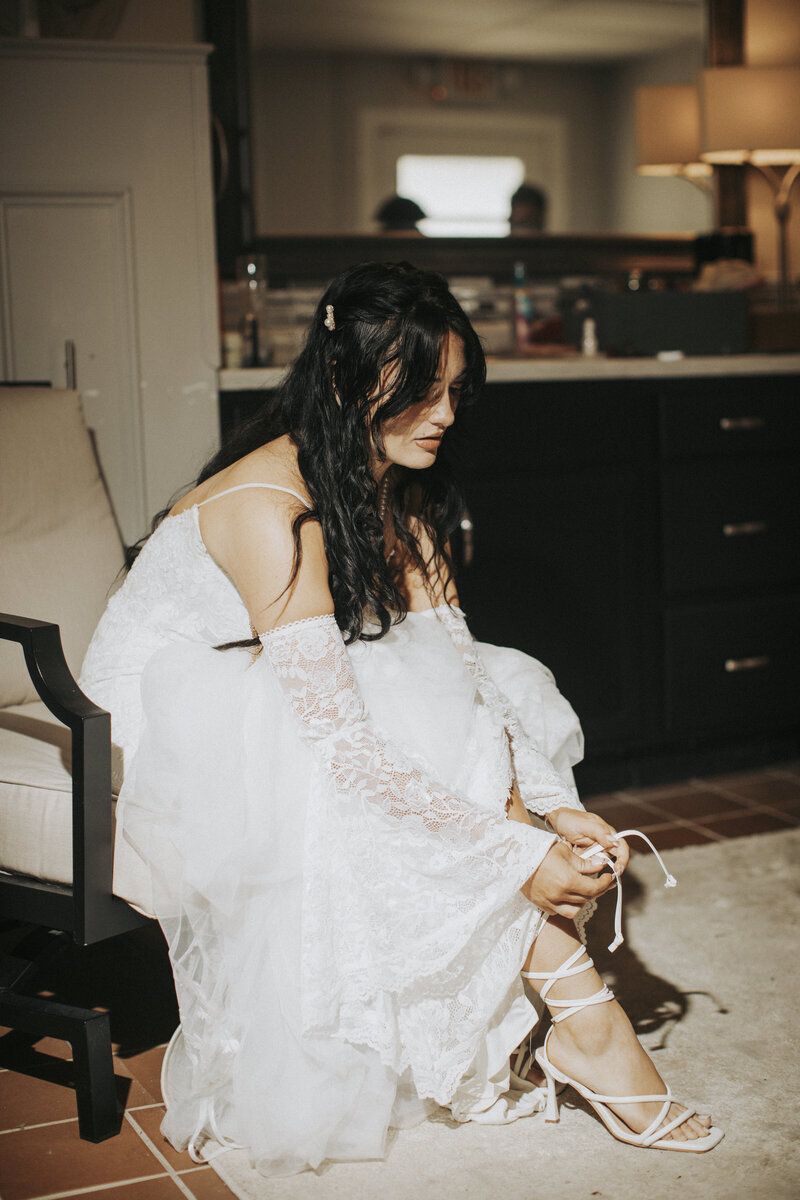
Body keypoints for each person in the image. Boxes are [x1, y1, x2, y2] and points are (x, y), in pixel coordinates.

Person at [79, 262, 722, 1177]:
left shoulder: (388, 491)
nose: (446, 414)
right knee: (388, 721)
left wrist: (546, 805)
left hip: (271, 684)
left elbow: (464, 672)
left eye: (456, 390)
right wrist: (515, 852)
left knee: (481, 686)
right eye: (422, 391)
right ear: (346, 378)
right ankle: (590, 1024)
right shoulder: (270, 508)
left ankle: (574, 1015)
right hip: (162, 730)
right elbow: (342, 742)